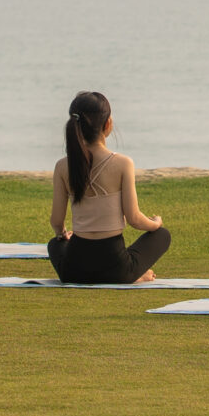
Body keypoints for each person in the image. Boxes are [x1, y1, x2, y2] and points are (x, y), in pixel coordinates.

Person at [48, 91, 171, 284]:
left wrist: (63, 234)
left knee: (54, 244)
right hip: (116, 268)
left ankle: (132, 273)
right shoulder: (123, 163)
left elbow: (56, 221)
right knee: (162, 235)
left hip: (73, 270)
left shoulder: (63, 166)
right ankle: (135, 275)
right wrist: (155, 224)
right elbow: (135, 219)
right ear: (108, 125)